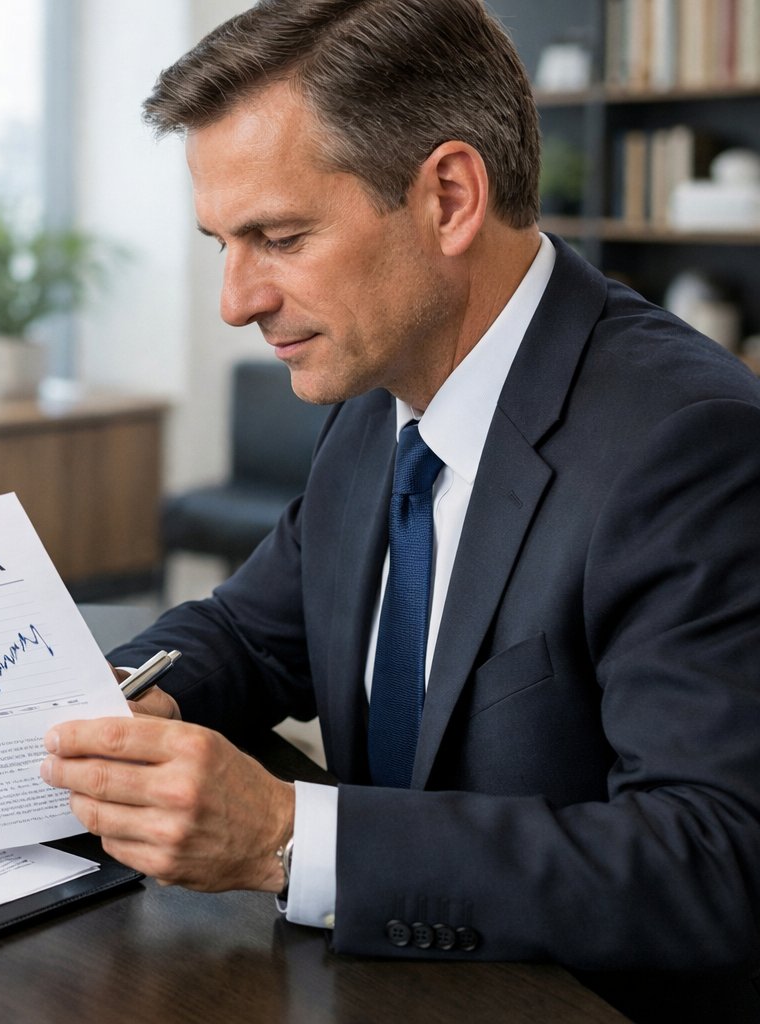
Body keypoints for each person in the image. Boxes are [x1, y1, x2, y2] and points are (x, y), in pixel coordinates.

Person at [37, 0, 760, 1018]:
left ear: (450, 198)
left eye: (279, 237)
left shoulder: (691, 443)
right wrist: (130, 704)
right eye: (221, 245)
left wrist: (287, 837)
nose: (236, 301)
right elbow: (250, 627)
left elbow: (714, 860)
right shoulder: (384, 394)